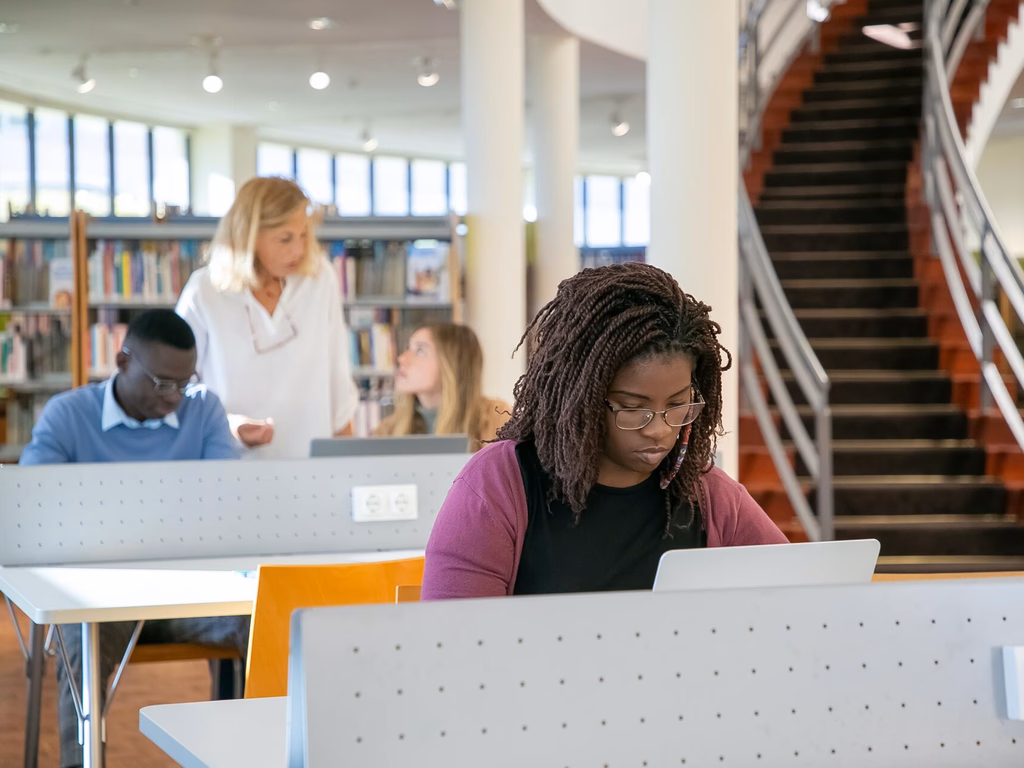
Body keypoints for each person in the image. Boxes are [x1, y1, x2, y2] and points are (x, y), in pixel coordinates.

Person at [421, 263, 788, 600]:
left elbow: (800, 600)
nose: (659, 430)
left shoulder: (711, 498)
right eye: (632, 409)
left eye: (678, 405)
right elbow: (451, 650)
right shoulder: (497, 487)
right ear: (580, 399)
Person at [18, 310, 247, 768]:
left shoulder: (203, 410)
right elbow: (33, 509)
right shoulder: (68, 415)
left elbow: (228, 504)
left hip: (191, 598)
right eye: (163, 383)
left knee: (273, 620)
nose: (175, 397)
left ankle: (246, 755)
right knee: (81, 640)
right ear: (122, 362)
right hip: (103, 604)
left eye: (185, 382)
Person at [176, 176, 359, 459]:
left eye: (303, 235)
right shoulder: (204, 292)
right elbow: (180, 389)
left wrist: (349, 465)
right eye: (285, 238)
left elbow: (338, 376)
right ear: (248, 237)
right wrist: (230, 426)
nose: (298, 249)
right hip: (230, 463)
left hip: (311, 463)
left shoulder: (320, 279)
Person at [375, 323, 509, 451]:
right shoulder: (387, 431)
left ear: (453, 363)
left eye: (420, 350)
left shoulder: (498, 419)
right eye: (408, 348)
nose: (401, 358)